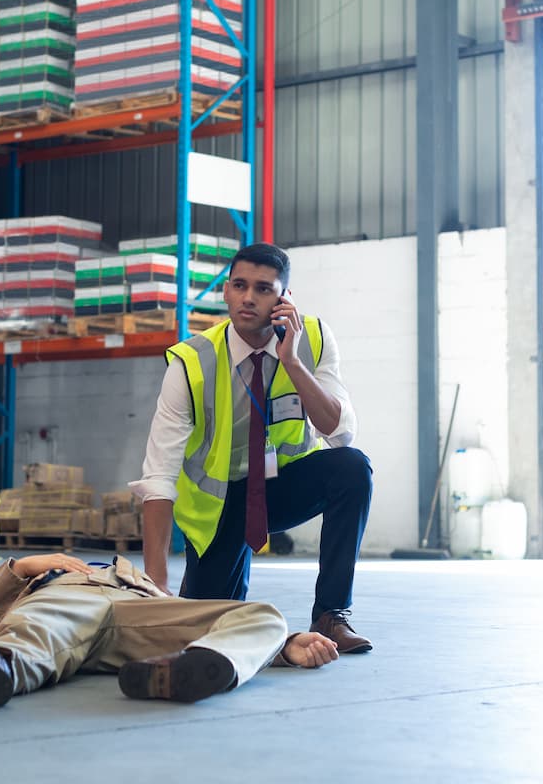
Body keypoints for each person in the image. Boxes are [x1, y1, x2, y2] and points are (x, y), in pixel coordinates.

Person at [133, 242, 375, 653]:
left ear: (284, 299)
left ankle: (331, 615)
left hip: (282, 489)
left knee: (352, 468)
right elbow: (159, 475)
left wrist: (293, 362)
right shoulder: (191, 362)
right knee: (207, 631)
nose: (248, 298)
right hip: (219, 507)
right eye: (239, 285)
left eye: (263, 289)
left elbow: (339, 433)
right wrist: (155, 585)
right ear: (225, 291)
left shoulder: (313, 339)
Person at [0, 553, 340, 706]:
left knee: (264, 614)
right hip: (65, 601)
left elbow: (191, 614)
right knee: (35, 626)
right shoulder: (45, 581)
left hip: (139, 610)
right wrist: (24, 566)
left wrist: (283, 649)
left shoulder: (137, 578)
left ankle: (188, 668)